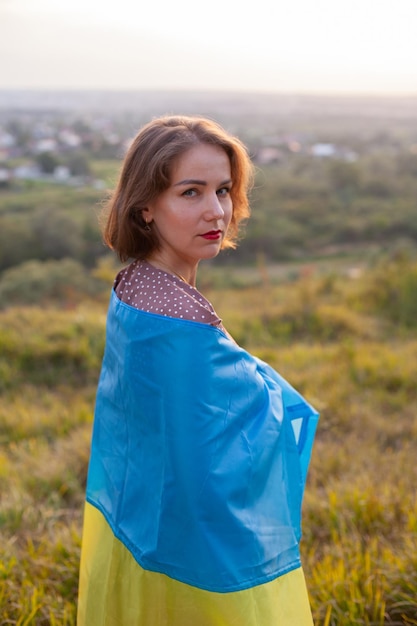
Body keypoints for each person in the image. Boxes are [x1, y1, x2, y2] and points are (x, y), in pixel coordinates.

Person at [77, 115, 319, 625]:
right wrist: (270, 390)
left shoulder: (135, 284)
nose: (217, 211)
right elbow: (227, 430)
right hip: (192, 550)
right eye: (191, 193)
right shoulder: (179, 315)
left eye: (224, 190)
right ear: (145, 205)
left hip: (138, 518)